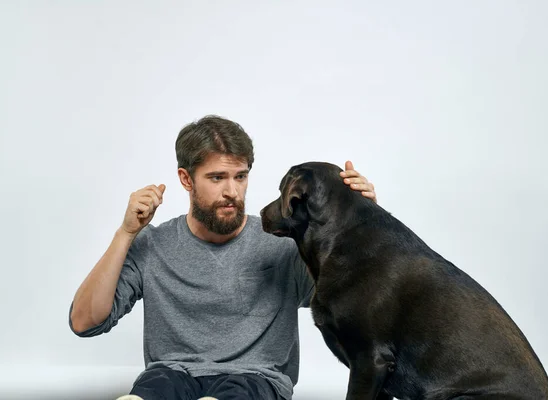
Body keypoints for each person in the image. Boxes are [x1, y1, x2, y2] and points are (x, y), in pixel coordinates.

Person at [68, 115, 378, 400]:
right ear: (186, 179)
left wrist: (360, 222)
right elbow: (84, 321)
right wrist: (125, 233)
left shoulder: (283, 246)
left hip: (255, 381)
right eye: (217, 178)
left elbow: (359, 303)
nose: (232, 191)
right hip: (169, 377)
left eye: (240, 176)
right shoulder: (154, 244)